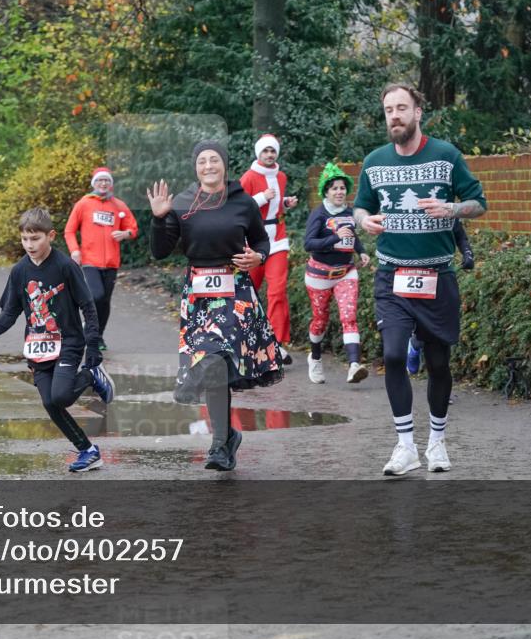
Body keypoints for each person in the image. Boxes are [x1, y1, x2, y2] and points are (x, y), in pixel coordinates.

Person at [353, 83, 487, 476]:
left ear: (417, 113)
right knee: (393, 355)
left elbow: (479, 203)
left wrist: (451, 208)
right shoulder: (374, 162)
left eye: (401, 109)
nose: (394, 116)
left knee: (438, 363)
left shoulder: (446, 156)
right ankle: (405, 446)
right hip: (391, 275)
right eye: (388, 110)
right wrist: (365, 220)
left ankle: (438, 443)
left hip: (437, 276)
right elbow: (361, 206)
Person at [148, 140, 283, 471]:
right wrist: (159, 218)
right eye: (202, 162)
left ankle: (219, 443)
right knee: (212, 364)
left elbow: (262, 238)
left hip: (234, 287)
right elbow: (160, 251)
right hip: (198, 292)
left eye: (214, 160)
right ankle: (224, 441)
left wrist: (259, 256)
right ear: (195, 168)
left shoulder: (242, 202)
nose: (208, 166)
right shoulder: (182, 202)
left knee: (217, 357)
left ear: (224, 164)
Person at [0, 208, 115, 472]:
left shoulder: (65, 266)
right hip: (37, 346)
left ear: (50, 235)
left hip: (69, 342)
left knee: (60, 397)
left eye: (35, 239)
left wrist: (92, 344)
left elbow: (88, 306)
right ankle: (88, 451)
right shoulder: (19, 271)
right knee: (49, 403)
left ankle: (91, 376)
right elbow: (10, 312)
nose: (29, 245)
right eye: (25, 239)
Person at [303, 162, 371, 385]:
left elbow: (353, 236)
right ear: (326, 191)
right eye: (334, 188)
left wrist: (361, 252)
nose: (339, 192)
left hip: (346, 273)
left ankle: (354, 366)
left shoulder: (350, 213)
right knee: (320, 321)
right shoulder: (319, 214)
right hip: (319, 275)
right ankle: (314, 357)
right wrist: (335, 238)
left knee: (349, 317)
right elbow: (309, 244)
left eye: (342, 188)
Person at [239, 134, 300, 365]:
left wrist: (285, 203)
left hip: (278, 239)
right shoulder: (249, 177)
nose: (269, 155)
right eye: (265, 151)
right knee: (248, 293)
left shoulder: (281, 176)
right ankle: (247, 341)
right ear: (258, 153)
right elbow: (239, 208)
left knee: (277, 290)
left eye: (272, 151)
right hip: (253, 241)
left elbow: (276, 205)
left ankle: (276, 343)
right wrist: (262, 197)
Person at [64, 167, 139, 350]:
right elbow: (69, 231)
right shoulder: (84, 204)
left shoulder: (119, 205)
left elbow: (133, 228)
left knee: (105, 301)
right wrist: (75, 250)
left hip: (112, 262)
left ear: (110, 184)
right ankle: (88, 329)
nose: (103, 184)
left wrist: (125, 233)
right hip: (90, 260)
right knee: (95, 295)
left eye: (107, 181)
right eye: (100, 181)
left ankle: (97, 337)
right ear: (94, 183)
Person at [407, 219, 474, 373]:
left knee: (433, 327)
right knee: (409, 315)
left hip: (436, 275)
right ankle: (413, 345)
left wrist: (468, 254)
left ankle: (416, 345)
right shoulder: (402, 213)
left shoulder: (443, 210)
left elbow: (460, 235)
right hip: (406, 273)